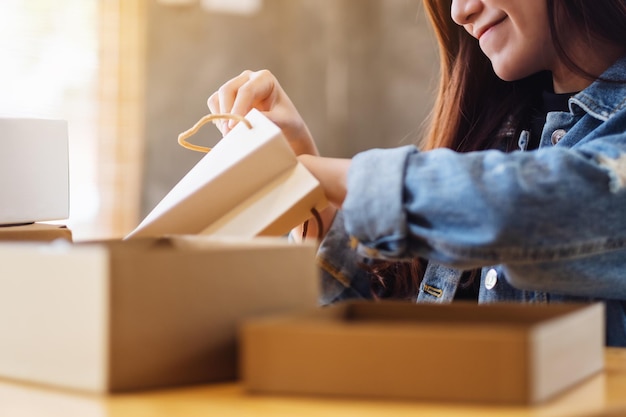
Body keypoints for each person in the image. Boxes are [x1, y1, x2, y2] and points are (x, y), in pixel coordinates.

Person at [207, 0, 626, 346]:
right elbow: (376, 349)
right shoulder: (491, 132)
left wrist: (326, 176)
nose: (460, 11)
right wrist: (302, 174)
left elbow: (530, 207)